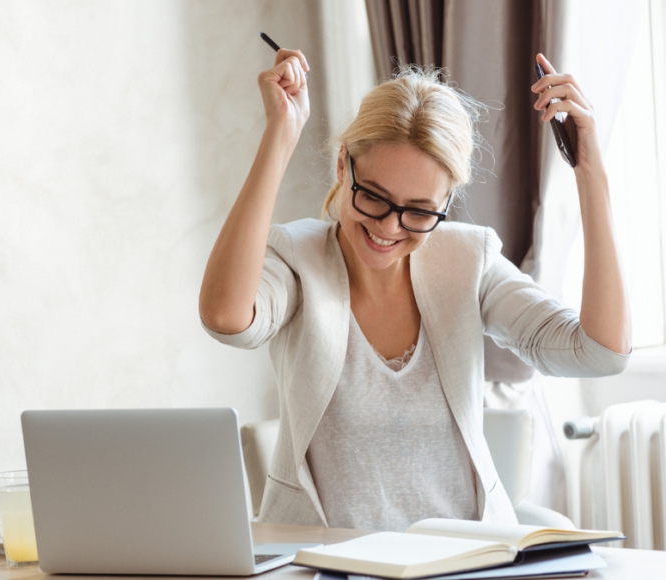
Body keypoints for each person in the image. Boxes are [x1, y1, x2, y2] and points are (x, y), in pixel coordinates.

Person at [198, 48, 631, 530]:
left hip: (460, 562)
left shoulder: (467, 260)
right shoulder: (297, 258)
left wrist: (591, 175)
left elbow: (600, 352)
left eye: (420, 211)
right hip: (325, 563)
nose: (388, 227)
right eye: (374, 197)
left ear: (447, 202)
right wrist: (280, 136)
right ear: (343, 166)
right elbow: (226, 318)